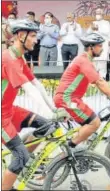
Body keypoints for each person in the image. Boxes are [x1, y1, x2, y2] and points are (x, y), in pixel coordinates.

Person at [2, 19, 69, 191]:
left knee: (46, 125)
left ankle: (25, 160)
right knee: (20, 155)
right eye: (33, 36)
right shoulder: (8, 59)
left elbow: (36, 85)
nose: (36, 40)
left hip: (9, 110)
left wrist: (53, 109)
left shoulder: (19, 57)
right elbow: (28, 90)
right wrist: (50, 112)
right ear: (21, 36)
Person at [53, 33, 110, 150]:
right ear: (90, 47)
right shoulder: (84, 61)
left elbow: (98, 81)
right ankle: (68, 150)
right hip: (67, 99)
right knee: (94, 123)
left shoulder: (84, 60)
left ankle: (82, 155)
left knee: (89, 124)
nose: (102, 48)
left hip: (70, 98)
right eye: (99, 45)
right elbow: (99, 82)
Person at [87, 8, 110, 78]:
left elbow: (107, 32)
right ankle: (94, 80)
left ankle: (102, 79)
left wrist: (98, 29)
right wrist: (91, 28)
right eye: (96, 13)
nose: (97, 15)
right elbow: (88, 32)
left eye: (99, 13)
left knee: (102, 64)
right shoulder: (93, 22)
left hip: (103, 47)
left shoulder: (106, 22)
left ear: (102, 14)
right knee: (94, 64)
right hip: (94, 46)